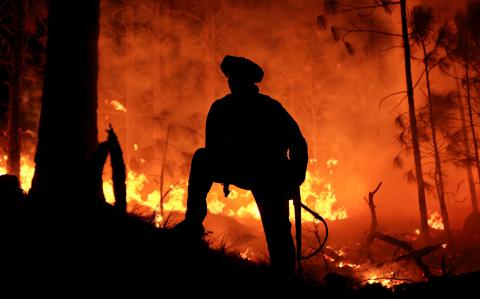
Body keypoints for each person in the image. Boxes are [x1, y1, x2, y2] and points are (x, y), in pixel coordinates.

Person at [175, 55, 308, 277]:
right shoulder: (222, 108)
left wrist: (294, 177)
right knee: (202, 158)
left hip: (269, 175)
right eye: (232, 79)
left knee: (278, 232)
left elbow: (297, 142)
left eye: (238, 80)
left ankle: (284, 276)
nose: (233, 83)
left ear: (249, 83)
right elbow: (212, 147)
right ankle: (192, 225)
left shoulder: (270, 108)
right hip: (243, 169)